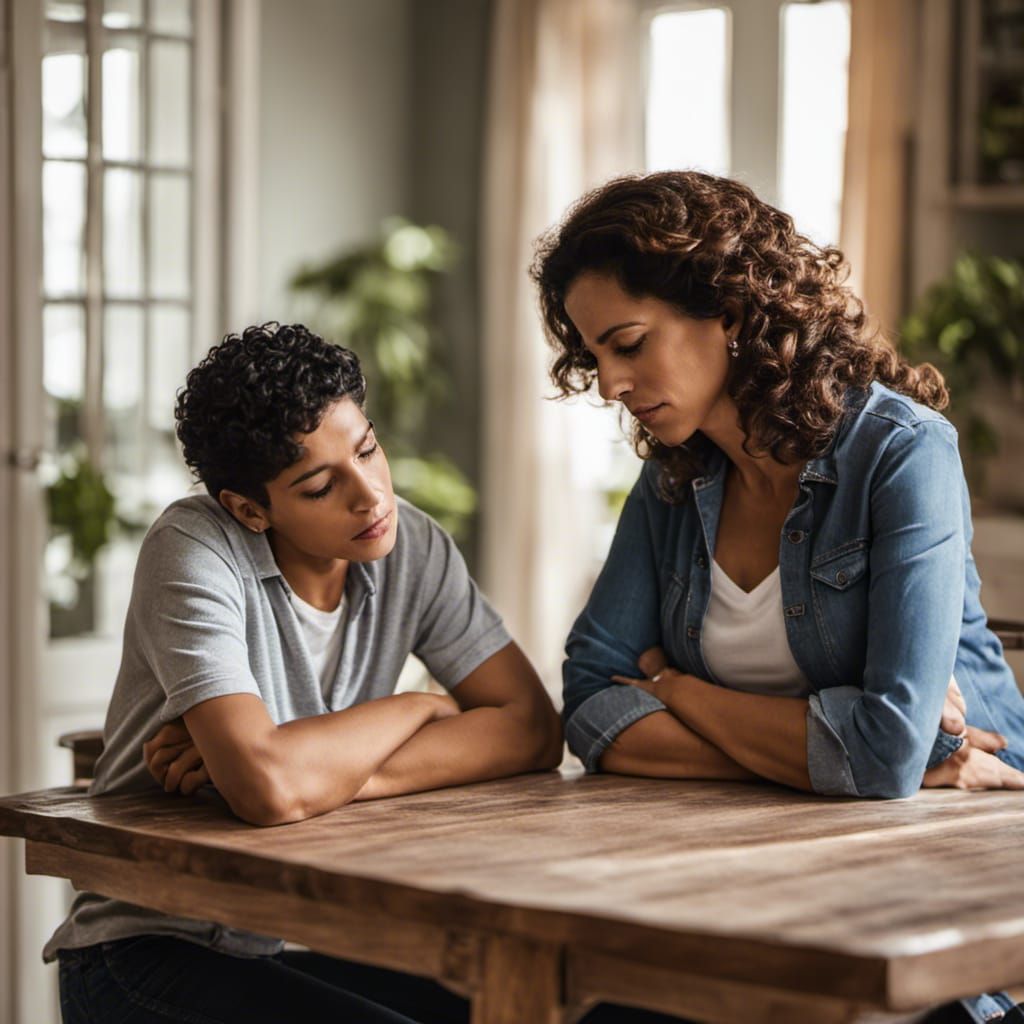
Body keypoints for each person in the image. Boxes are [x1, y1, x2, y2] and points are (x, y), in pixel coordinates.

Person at [531, 171, 1024, 1023]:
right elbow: (591, 703)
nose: (610, 383)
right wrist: (849, 757)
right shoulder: (675, 480)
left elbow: (884, 752)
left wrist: (679, 693)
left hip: (949, 874)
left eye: (629, 344)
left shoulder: (902, 455)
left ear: (727, 312)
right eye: (596, 355)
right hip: (767, 854)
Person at [46, 323, 563, 1024]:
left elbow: (532, 731)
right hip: (146, 949)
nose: (371, 495)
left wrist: (323, 771)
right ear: (249, 509)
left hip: (286, 938)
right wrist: (424, 710)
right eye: (321, 485)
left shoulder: (412, 546)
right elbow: (270, 787)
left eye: (369, 448)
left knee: (565, 1008)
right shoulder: (191, 549)